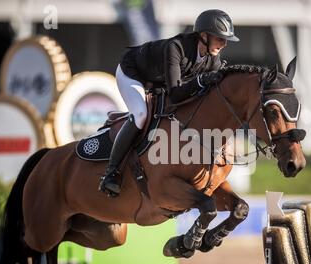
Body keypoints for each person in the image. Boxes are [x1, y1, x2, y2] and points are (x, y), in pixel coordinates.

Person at [99, 9, 240, 196]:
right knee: (141, 115)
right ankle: (111, 173)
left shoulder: (212, 60)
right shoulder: (177, 47)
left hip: (159, 82)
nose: (223, 44)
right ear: (204, 35)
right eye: (219, 38)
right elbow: (175, 94)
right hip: (133, 73)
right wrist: (199, 82)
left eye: (225, 40)